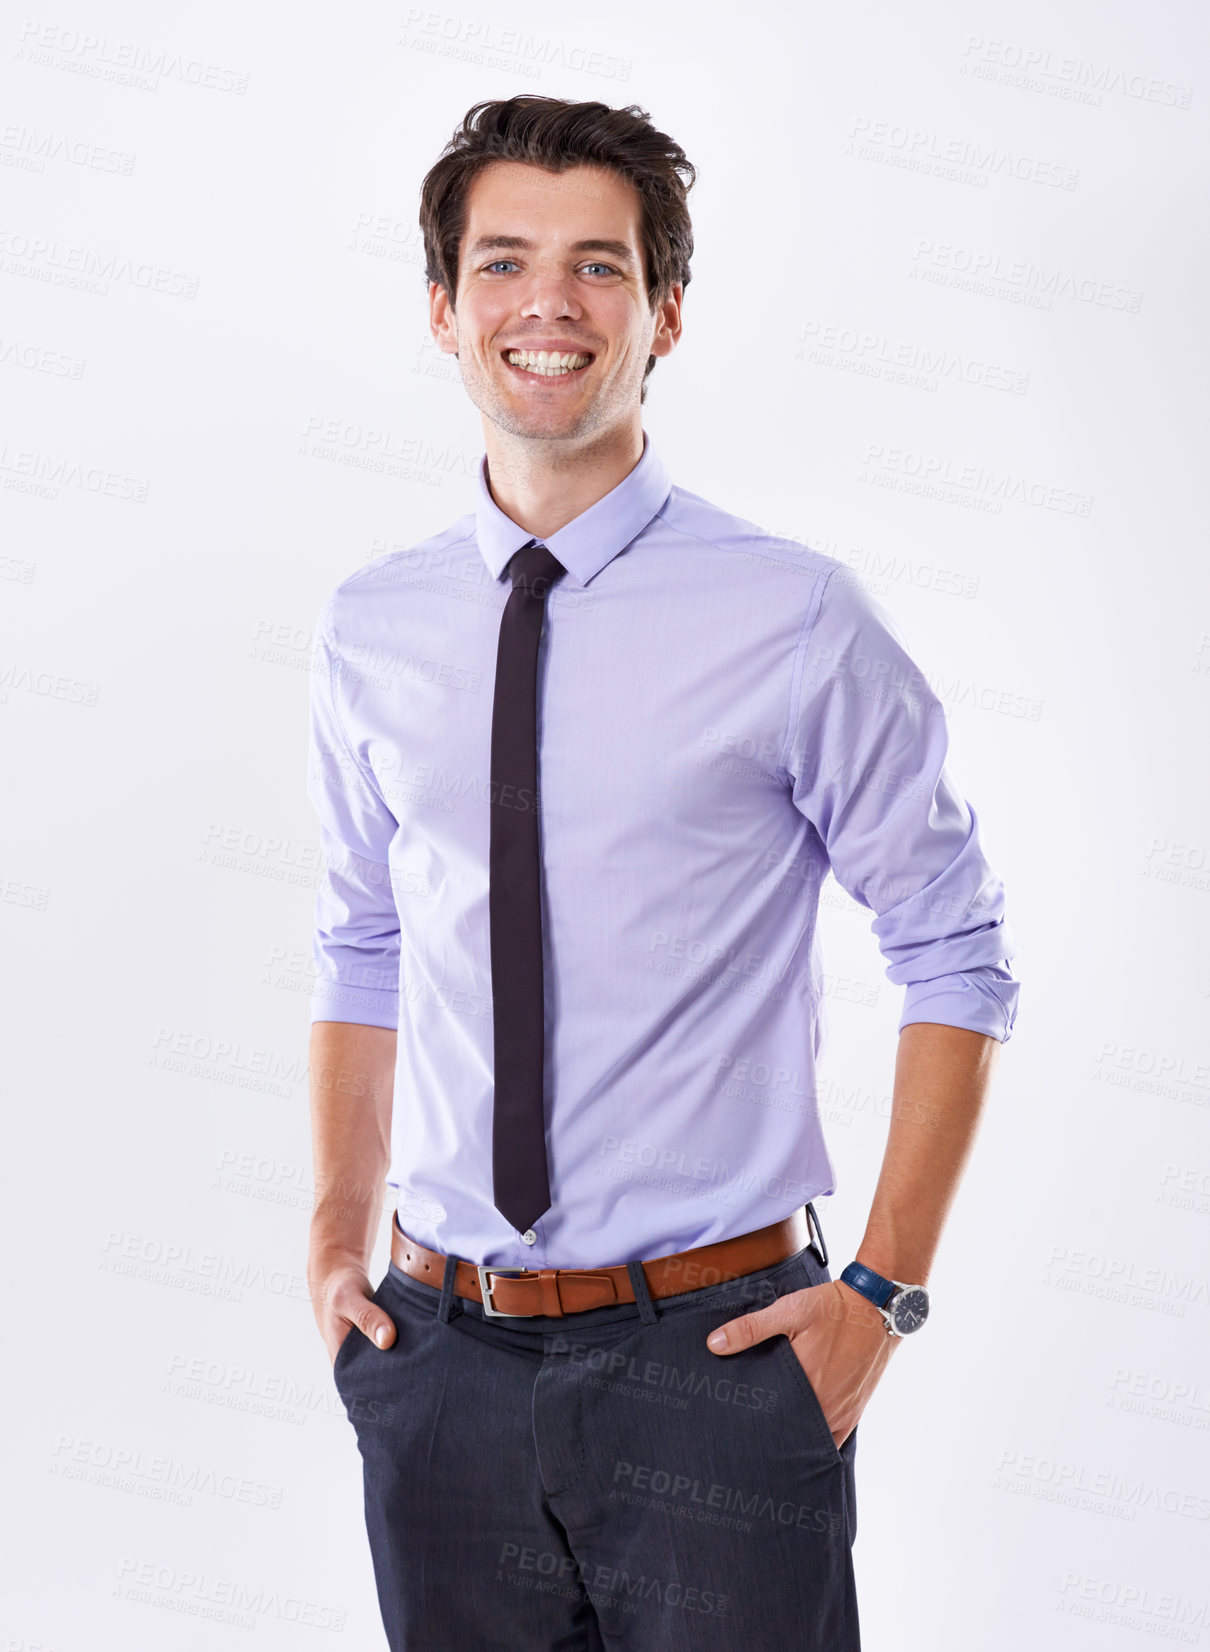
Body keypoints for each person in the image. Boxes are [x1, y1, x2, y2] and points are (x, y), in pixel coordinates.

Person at [304, 94, 1020, 1652]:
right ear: (442, 308)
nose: (545, 304)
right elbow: (364, 945)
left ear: (665, 312)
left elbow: (953, 953)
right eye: (500, 262)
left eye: (598, 266)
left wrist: (880, 1299)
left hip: (711, 1368)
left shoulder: (795, 618)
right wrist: (332, 1236)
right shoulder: (372, 626)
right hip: (437, 1363)